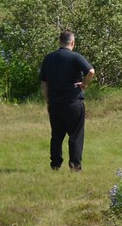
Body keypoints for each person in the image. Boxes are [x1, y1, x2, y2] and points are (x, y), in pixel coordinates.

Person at [38, 30, 95, 172]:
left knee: (56, 136)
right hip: (73, 102)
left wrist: (48, 101)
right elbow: (91, 71)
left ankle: (55, 164)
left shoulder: (49, 58)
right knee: (75, 135)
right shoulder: (75, 57)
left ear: (60, 42)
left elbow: (44, 84)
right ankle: (75, 166)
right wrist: (84, 84)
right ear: (73, 42)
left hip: (55, 103)